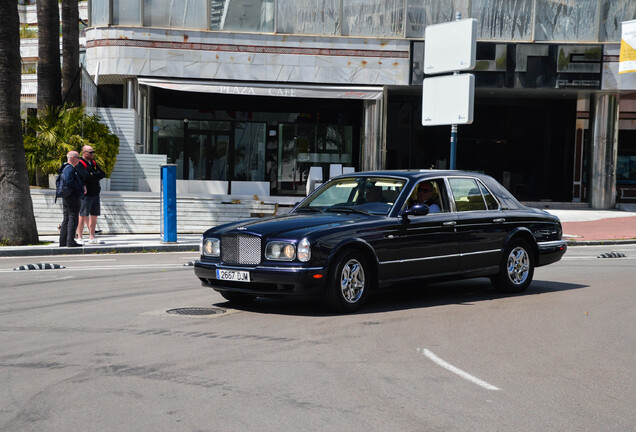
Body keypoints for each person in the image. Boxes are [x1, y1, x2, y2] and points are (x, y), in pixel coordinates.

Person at [75, 145, 106, 244]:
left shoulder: (93, 163)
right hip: (86, 193)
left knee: (94, 215)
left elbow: (102, 173)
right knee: (82, 215)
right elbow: (85, 176)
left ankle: (92, 237)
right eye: (90, 152)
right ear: (83, 153)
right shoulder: (80, 163)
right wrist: (94, 175)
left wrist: (93, 174)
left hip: (95, 192)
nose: (92, 154)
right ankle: (79, 237)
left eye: (93, 152)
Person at [59, 151, 85, 247]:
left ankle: (63, 241)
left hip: (67, 196)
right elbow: (69, 181)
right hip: (72, 196)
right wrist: (79, 187)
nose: (80, 159)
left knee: (66, 218)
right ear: (72, 158)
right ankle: (70, 241)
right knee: (73, 218)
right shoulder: (70, 169)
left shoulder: (65, 168)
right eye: (78, 157)